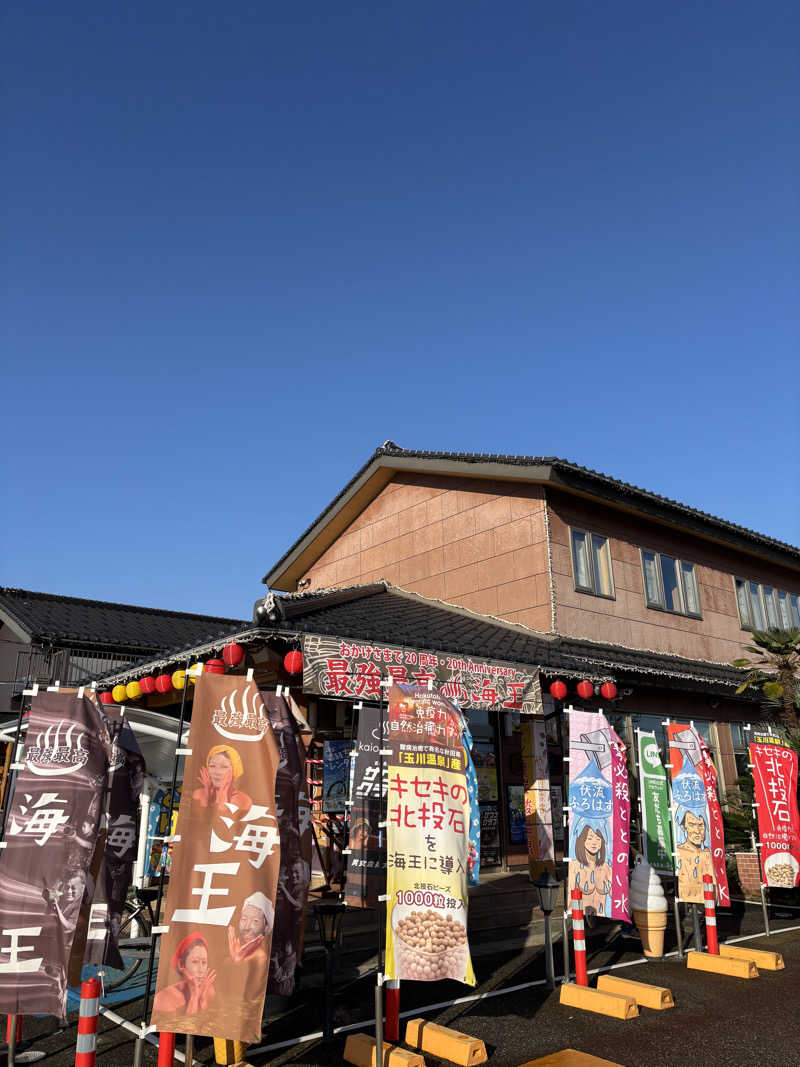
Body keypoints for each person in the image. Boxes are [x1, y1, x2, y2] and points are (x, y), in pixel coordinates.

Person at [153, 933, 216, 1015]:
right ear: (181, 964)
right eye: (195, 961)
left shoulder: (208, 990)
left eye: (204, 962)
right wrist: (194, 995)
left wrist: (203, 999)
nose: (201, 970)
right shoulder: (164, 998)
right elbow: (184, 1026)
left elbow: (206, 1021)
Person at [193, 745, 252, 815]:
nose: (217, 772)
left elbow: (223, 823)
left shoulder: (243, 800)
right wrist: (207, 792)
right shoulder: (198, 794)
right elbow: (199, 819)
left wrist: (223, 794)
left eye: (224, 767)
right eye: (212, 766)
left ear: (235, 770)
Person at [572, 824, 613, 917]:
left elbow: (616, 896)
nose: (594, 843)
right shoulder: (575, 866)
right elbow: (572, 898)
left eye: (598, 839)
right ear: (582, 840)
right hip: (581, 919)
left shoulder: (606, 867)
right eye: (590, 838)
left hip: (604, 918)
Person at [676, 809, 714, 898]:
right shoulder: (679, 852)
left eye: (701, 825)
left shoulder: (708, 853)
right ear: (683, 827)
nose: (697, 831)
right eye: (692, 825)